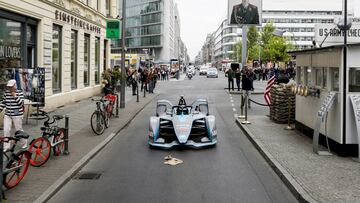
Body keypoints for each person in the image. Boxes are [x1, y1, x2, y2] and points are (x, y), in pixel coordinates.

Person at [0, 79, 26, 151]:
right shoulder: (6, 93)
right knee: (6, 130)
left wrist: (15, 96)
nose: (10, 88)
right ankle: (6, 147)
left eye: (11, 87)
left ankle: (24, 143)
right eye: (9, 87)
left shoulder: (19, 92)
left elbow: (21, 104)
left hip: (17, 114)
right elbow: (3, 102)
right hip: (8, 114)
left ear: (15, 86)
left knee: (18, 130)